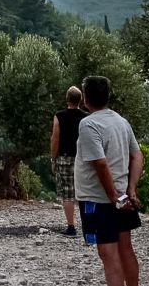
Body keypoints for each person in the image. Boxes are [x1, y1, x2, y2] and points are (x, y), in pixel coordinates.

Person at [74, 76, 144, 286]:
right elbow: (137, 155)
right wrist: (131, 189)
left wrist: (112, 196)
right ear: (107, 96)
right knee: (126, 249)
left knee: (108, 253)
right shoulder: (121, 121)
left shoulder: (88, 124)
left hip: (99, 199)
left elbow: (100, 164)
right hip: (123, 195)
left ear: (86, 98)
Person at [50, 86, 88, 236]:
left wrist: (53, 158)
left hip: (65, 158)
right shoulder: (86, 117)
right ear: (81, 100)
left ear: (67, 99)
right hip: (83, 158)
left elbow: (55, 138)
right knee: (85, 192)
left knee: (67, 193)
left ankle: (71, 227)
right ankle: (88, 225)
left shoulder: (59, 116)